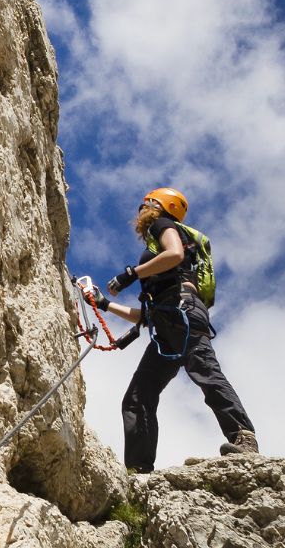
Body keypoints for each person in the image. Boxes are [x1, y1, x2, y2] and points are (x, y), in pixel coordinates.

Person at [80, 187, 257, 473]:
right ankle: (138, 470)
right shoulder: (159, 249)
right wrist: (104, 305)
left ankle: (243, 438)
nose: (139, 213)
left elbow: (174, 254)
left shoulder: (162, 225)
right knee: (138, 396)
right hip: (168, 320)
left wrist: (130, 275)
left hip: (182, 313)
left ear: (156, 206)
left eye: (143, 206)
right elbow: (146, 317)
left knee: (205, 371)